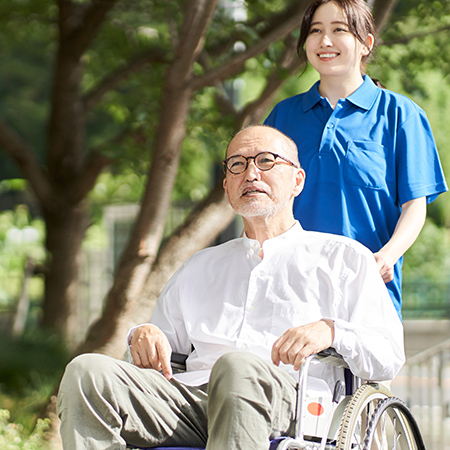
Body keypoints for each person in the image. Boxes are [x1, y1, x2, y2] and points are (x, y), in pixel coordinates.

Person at [57, 125, 405, 450]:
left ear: (297, 180)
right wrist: (144, 335)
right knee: (87, 371)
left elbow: (388, 356)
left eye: (266, 161)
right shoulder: (200, 266)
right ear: (226, 187)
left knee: (237, 367)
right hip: (190, 403)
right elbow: (160, 350)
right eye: (236, 165)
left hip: (290, 402)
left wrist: (332, 330)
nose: (250, 173)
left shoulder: (343, 258)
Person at [264, 0, 448, 318]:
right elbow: (264, 202)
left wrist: (387, 256)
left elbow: (415, 205)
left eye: (339, 30)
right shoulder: (283, 116)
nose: (325, 41)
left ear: (366, 43)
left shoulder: (401, 115)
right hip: (289, 292)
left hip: (367, 290)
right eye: (316, 31)